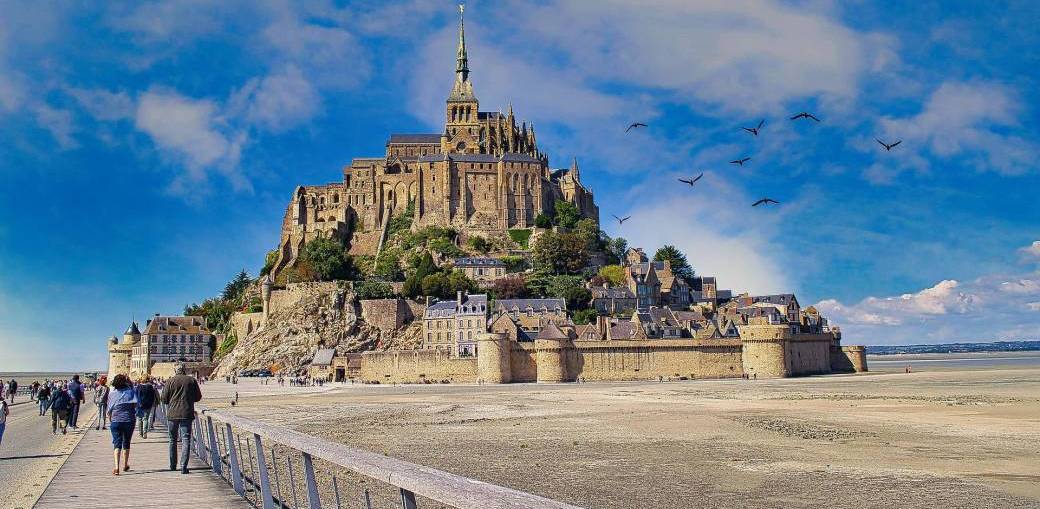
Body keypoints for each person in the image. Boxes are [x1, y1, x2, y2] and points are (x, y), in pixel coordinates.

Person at [160, 364, 202, 474]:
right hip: (186, 412)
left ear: (175, 370)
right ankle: (183, 466)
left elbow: (164, 399)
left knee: (172, 440)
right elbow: (198, 397)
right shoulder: (191, 380)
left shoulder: (170, 381)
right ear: (184, 370)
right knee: (186, 439)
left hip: (172, 413)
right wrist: (188, 399)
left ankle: (173, 465)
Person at [107, 374, 138, 475]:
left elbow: (109, 409)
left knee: (117, 443)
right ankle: (125, 465)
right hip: (129, 420)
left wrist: (110, 419)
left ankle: (116, 467)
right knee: (126, 442)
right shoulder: (131, 392)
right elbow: (136, 405)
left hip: (115, 420)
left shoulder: (112, 394)